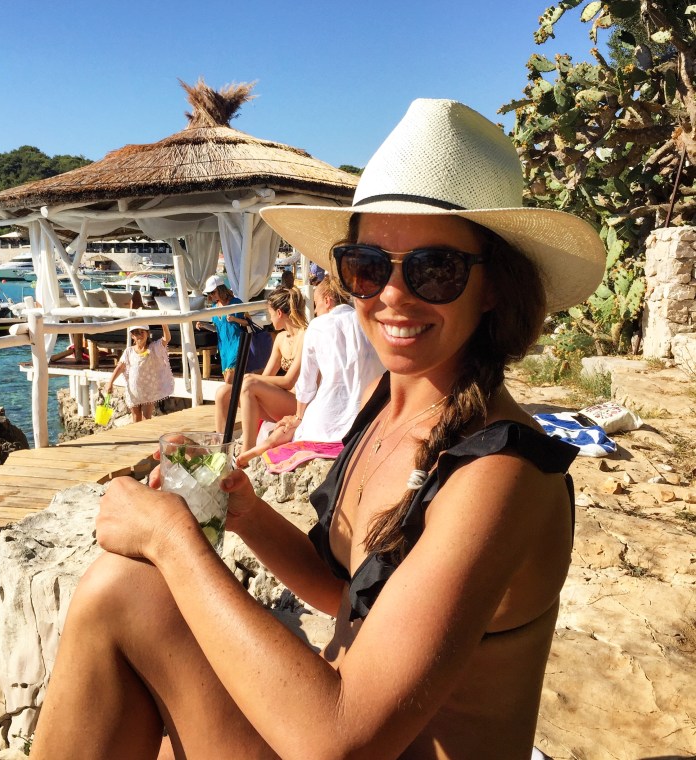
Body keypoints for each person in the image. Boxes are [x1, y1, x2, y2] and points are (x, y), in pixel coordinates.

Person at [29, 99, 605, 759]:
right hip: (340, 721)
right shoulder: (389, 404)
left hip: (347, 737)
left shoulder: (498, 477)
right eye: (367, 266)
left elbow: (342, 740)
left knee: (120, 592)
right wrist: (246, 513)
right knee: (128, 603)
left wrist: (171, 540)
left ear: (495, 285)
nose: (393, 295)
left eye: (435, 269)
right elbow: (347, 595)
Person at [235, 276, 384, 467]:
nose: (315, 310)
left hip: (328, 416)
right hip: (370, 412)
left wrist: (298, 416)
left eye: (316, 304)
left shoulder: (318, 326)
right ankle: (265, 443)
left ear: (327, 300)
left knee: (294, 426)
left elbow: (306, 383)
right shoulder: (369, 321)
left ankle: (265, 445)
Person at [215, 286, 308, 448]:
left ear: (279, 313)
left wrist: (251, 377)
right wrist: (251, 379)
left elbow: (289, 381)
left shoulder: (306, 335)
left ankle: (247, 449)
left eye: (270, 314)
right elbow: (265, 378)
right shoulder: (280, 338)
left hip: (299, 403)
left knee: (249, 382)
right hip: (283, 400)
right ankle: (222, 448)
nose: (270, 319)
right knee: (223, 392)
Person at [104, 323, 173, 423]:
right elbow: (120, 367)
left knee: (146, 419)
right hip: (134, 390)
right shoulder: (129, 351)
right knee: (136, 419)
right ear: (132, 336)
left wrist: (164, 324)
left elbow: (167, 338)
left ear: (148, 334)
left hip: (148, 389)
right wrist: (110, 382)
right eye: (136, 333)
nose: (139, 335)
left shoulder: (153, 348)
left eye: (142, 332)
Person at [196, 275, 245, 384]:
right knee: (230, 381)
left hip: (236, 343)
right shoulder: (214, 307)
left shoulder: (236, 302)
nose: (211, 295)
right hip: (223, 347)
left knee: (228, 381)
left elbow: (248, 322)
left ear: (221, 289)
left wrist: (235, 319)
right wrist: (204, 325)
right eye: (209, 293)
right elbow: (217, 328)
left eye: (213, 292)